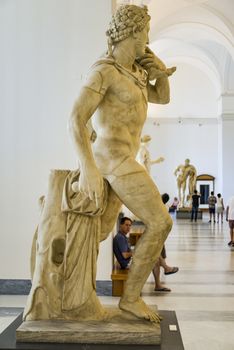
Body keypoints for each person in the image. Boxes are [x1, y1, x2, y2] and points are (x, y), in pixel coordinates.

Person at [69, 4, 175, 323]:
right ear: (131, 32)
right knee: (160, 222)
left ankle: (73, 293)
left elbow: (163, 97)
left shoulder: (138, 76)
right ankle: (130, 299)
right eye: (144, 31)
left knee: (99, 232)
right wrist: (87, 166)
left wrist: (158, 71)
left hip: (124, 160)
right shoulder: (104, 70)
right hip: (110, 160)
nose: (147, 38)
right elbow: (76, 118)